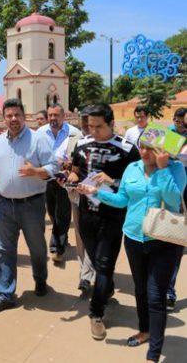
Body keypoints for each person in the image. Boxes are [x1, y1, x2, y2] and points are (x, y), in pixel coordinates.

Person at [78, 145, 186, 363]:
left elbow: (173, 200)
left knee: (156, 297)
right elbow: (122, 200)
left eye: (150, 149)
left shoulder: (175, 169)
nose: (144, 153)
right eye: (142, 147)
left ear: (163, 150)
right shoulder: (133, 168)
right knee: (140, 290)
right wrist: (95, 192)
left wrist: (163, 169)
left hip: (164, 241)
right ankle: (145, 330)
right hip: (134, 238)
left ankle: (153, 355)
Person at [67, 103, 140, 340]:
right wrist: (71, 178)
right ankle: (105, 289)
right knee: (98, 264)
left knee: (105, 263)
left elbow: (137, 184)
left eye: (99, 127)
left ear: (111, 124)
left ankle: (96, 313)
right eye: (90, 126)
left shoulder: (128, 150)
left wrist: (113, 181)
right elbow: (76, 170)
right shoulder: (82, 144)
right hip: (86, 213)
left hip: (113, 216)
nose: (93, 131)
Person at [0, 98, 58, 315]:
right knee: (4, 250)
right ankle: (4, 294)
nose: (13, 119)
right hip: (4, 204)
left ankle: (40, 279)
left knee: (37, 247)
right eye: (9, 115)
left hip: (31, 204)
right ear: (4, 118)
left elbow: (54, 166)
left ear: (24, 116)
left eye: (17, 115)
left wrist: (37, 171)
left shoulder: (38, 139)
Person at [38, 103, 82, 262]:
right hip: (47, 178)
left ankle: (57, 248)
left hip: (65, 179)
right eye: (50, 115)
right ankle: (62, 237)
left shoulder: (75, 133)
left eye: (56, 115)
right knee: (51, 211)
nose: (52, 118)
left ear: (64, 116)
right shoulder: (40, 133)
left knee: (62, 213)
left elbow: (80, 156)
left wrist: (71, 165)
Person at [63, 106, 96, 292]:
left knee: (96, 235)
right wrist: (68, 174)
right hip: (77, 195)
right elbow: (70, 168)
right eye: (82, 119)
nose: (85, 123)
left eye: (88, 120)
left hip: (100, 197)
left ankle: (95, 273)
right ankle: (85, 274)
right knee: (81, 235)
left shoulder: (107, 142)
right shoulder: (73, 140)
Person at [166, 107, 187, 310]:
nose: (179, 124)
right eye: (177, 120)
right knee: (171, 240)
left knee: (177, 242)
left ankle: (168, 291)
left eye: (182, 121)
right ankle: (167, 291)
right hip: (171, 191)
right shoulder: (169, 135)